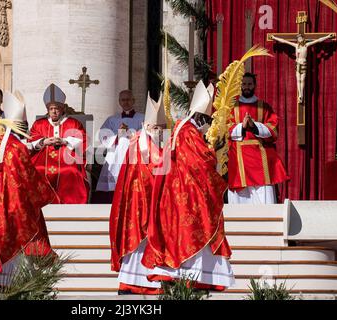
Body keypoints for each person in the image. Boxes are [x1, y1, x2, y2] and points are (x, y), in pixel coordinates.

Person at [142, 81, 235, 291]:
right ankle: (191, 278)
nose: (208, 125)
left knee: (182, 232)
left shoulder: (180, 128)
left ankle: (194, 277)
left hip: (179, 190)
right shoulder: (189, 132)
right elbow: (200, 162)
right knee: (195, 229)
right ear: (199, 117)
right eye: (207, 120)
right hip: (188, 192)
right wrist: (215, 152)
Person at [0, 92, 58, 285]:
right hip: (16, 211)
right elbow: (29, 181)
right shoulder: (17, 150)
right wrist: (44, 195)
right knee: (20, 249)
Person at [109, 92, 166, 295]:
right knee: (137, 243)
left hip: (154, 201)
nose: (160, 131)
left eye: (162, 128)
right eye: (157, 128)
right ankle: (129, 283)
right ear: (148, 127)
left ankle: (152, 282)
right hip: (138, 201)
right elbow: (144, 171)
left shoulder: (158, 144)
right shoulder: (138, 143)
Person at [227, 73, 289, 204]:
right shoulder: (232, 108)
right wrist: (242, 126)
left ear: (254, 85)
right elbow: (225, 128)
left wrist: (254, 125)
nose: (247, 87)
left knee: (264, 192)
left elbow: (273, 129)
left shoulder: (264, 107)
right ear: (240, 86)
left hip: (260, 156)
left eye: (249, 84)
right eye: (244, 84)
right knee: (241, 197)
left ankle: (267, 221)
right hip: (239, 156)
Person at [29, 83, 89, 204]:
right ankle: (40, 203)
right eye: (51, 109)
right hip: (43, 158)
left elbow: (83, 139)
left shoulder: (73, 123)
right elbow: (30, 140)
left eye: (57, 108)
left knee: (71, 172)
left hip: (67, 159)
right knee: (37, 170)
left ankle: (71, 204)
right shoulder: (39, 124)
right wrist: (44, 141)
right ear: (47, 110)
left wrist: (65, 141)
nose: (54, 111)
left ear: (62, 109)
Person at [94, 90, 145, 203]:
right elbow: (102, 136)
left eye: (128, 99)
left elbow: (145, 136)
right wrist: (117, 134)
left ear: (133, 101)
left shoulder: (142, 118)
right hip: (115, 155)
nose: (125, 102)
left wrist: (130, 133)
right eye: (123, 100)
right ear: (119, 102)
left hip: (134, 154)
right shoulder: (112, 119)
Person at [271, 33, 335, 103]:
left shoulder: (306, 45)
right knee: (298, 80)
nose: (299, 39)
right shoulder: (296, 46)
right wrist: (274, 38)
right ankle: (300, 95)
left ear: (303, 39)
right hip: (298, 64)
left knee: (303, 80)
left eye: (300, 38)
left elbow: (318, 40)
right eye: (298, 39)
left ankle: (301, 93)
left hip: (304, 65)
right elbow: (284, 41)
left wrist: (328, 36)